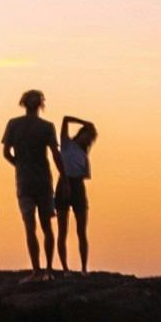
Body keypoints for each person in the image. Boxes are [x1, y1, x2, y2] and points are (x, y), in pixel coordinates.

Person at [0, 89, 58, 272]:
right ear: (41, 104)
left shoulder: (14, 124)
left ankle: (37, 269)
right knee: (46, 225)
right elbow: (55, 154)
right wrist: (64, 176)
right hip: (42, 180)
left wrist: (19, 164)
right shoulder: (47, 127)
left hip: (25, 181)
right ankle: (47, 269)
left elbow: (6, 153)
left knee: (30, 226)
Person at [53, 113, 97, 269]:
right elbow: (65, 119)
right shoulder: (66, 143)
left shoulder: (84, 153)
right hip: (64, 182)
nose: (89, 140)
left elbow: (85, 174)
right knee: (62, 229)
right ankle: (65, 267)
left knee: (81, 230)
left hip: (78, 185)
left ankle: (84, 267)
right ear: (82, 133)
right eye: (88, 136)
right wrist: (84, 121)